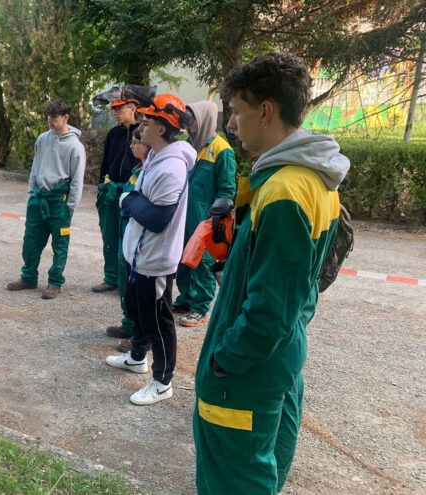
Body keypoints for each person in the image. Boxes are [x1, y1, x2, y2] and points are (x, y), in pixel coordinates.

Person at [193, 52, 349, 494]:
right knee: (265, 469)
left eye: (238, 112)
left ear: (266, 110)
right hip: (281, 356)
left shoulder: (284, 190)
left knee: (235, 480)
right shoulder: (315, 179)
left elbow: (269, 310)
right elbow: (298, 287)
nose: (232, 125)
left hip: (248, 370)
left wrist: (226, 360)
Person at [105, 94, 195, 405]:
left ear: (161, 127)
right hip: (139, 255)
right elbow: (143, 201)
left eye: (148, 120)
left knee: (159, 321)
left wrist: (128, 201)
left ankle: (162, 381)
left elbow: (157, 218)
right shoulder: (156, 156)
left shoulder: (171, 167)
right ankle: (137, 357)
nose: (141, 124)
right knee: (140, 312)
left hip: (155, 259)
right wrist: (134, 201)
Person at [6, 99, 85, 299]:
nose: (51, 120)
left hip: (60, 200)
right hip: (38, 198)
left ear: (66, 117)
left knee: (60, 244)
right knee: (31, 241)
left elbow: (77, 179)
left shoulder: (75, 146)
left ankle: (55, 282)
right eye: (49, 116)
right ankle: (29, 277)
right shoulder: (42, 139)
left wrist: (71, 205)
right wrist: (32, 192)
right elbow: (36, 165)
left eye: (55, 117)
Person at [173, 100, 237, 327]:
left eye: (193, 121)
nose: (190, 126)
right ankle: (185, 298)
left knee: (202, 261)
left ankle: (201, 307)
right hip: (182, 214)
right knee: (182, 259)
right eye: (188, 122)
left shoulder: (222, 150)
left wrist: (216, 219)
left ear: (206, 120)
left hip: (205, 217)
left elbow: (227, 190)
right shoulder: (188, 146)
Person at [94, 95, 141, 296]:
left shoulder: (142, 133)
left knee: (128, 238)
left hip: (131, 191)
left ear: (132, 109)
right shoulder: (114, 134)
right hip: (111, 192)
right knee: (109, 235)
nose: (115, 113)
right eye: (113, 110)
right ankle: (110, 278)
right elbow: (105, 162)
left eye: (119, 109)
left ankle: (126, 281)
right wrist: (101, 187)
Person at [111, 130, 149, 353]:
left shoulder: (152, 171)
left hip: (140, 235)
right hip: (128, 230)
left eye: (136, 143)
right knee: (126, 279)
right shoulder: (138, 170)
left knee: (138, 286)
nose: (132, 147)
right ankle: (128, 324)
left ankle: (139, 336)